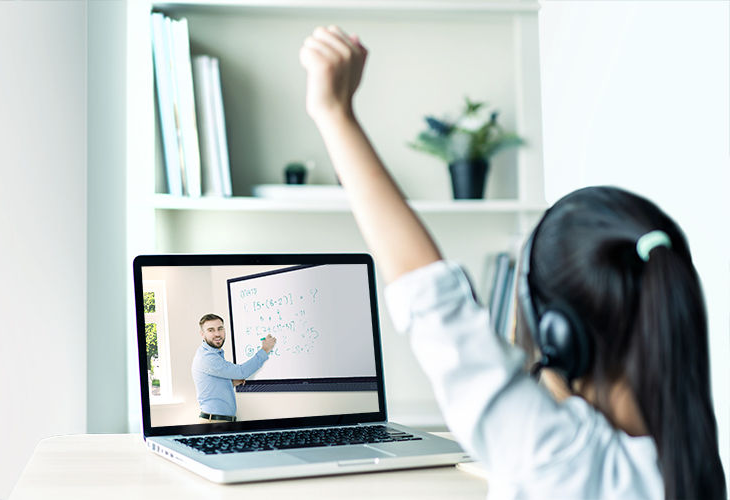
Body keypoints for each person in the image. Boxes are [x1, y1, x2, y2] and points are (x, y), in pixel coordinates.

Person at [298, 26, 725, 500]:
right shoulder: (692, 461)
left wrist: (333, 112)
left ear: (561, 336)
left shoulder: (560, 456)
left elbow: (432, 298)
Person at [191, 313, 276, 423]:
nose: (217, 334)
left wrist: (229, 383)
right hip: (214, 423)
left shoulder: (213, 353)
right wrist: (264, 350)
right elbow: (241, 372)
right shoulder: (207, 357)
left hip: (220, 421)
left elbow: (212, 383)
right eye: (211, 330)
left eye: (220, 328)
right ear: (202, 334)